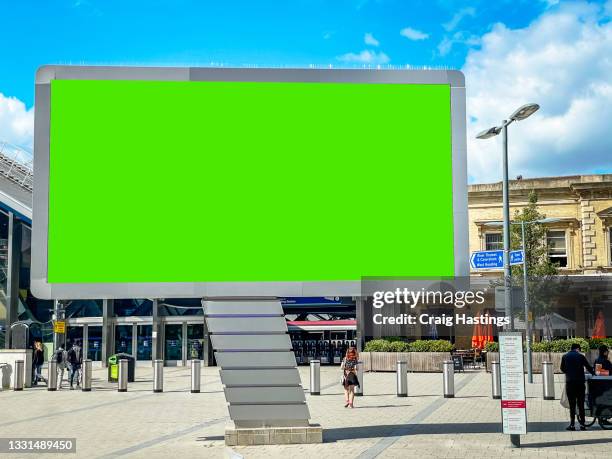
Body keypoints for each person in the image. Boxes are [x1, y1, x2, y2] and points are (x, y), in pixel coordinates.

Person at [560, 343, 594, 430]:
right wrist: (595, 374)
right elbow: (589, 368)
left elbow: (562, 369)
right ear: (578, 349)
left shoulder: (565, 356)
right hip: (580, 384)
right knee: (581, 404)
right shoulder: (581, 356)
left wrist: (569, 372)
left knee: (572, 405)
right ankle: (582, 425)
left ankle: (572, 425)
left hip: (570, 383)